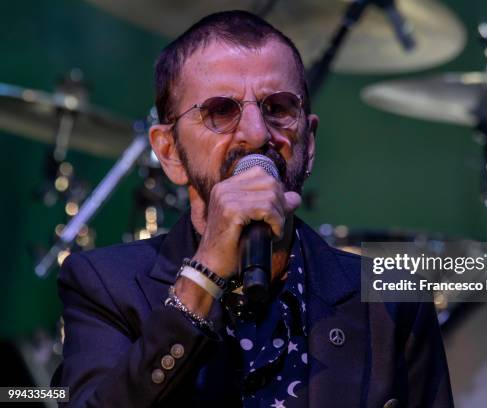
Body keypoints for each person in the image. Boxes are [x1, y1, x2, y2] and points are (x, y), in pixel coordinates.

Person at [52, 10, 453, 407]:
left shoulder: (392, 301)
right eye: (221, 111)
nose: (257, 134)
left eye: (278, 108)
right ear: (169, 151)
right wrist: (202, 278)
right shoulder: (104, 284)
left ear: (309, 144)